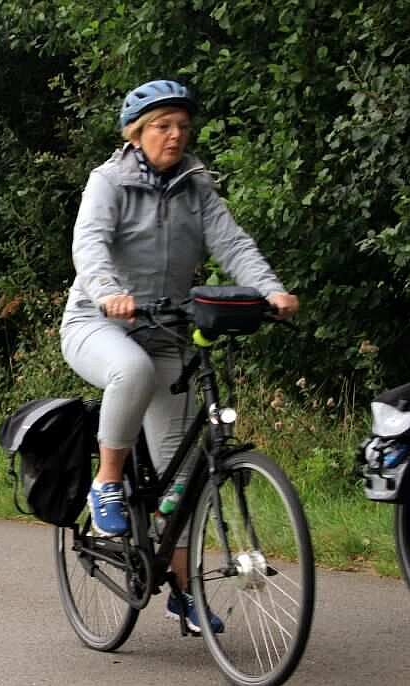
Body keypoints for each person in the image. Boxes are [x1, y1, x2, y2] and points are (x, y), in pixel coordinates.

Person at [60, 79, 300, 632]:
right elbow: (89, 243)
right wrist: (107, 291)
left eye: (182, 127)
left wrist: (270, 290)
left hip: (167, 329)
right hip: (97, 322)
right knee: (131, 370)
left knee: (182, 474)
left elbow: (233, 243)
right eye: (162, 126)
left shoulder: (196, 186)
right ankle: (107, 483)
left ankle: (183, 593)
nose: (174, 135)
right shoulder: (108, 181)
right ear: (137, 133)